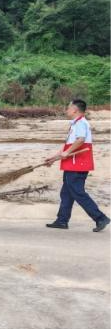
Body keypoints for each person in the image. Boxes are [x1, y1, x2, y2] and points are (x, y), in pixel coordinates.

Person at [44, 99, 109, 232]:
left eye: (68, 108)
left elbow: (81, 140)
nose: (66, 110)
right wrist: (53, 158)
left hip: (77, 165)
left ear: (75, 110)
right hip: (72, 164)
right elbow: (68, 146)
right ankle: (62, 221)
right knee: (66, 193)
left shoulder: (80, 123)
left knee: (78, 193)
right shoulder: (75, 124)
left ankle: (100, 218)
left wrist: (67, 152)